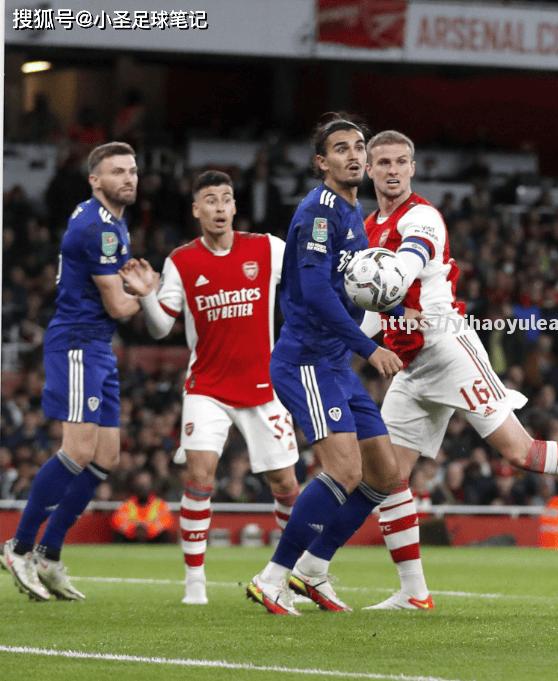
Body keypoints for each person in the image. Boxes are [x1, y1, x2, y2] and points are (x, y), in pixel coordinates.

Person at [360, 131, 558, 610]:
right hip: (409, 364)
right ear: (369, 169)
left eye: (401, 161)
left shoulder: (420, 217)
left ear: (413, 167)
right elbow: (372, 307)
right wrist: (359, 344)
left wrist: (378, 293)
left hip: (447, 348)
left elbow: (405, 268)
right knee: (388, 477)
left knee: (519, 451)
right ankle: (413, 593)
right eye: (383, 162)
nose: (392, 170)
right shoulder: (369, 228)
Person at [245, 113, 403, 616]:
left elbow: (352, 285)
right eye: (341, 148)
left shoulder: (353, 210)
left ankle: (312, 570)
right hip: (308, 362)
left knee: (383, 473)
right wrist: (368, 346)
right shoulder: (320, 211)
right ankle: (271, 577)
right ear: (322, 162)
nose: (354, 154)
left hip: (335, 363)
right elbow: (314, 292)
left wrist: (399, 308)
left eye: (359, 146)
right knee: (344, 470)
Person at [120, 170, 300, 605]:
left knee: (286, 484)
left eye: (226, 199)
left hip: (264, 386)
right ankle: (195, 585)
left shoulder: (267, 248)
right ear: (196, 209)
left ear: (236, 206)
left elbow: (306, 287)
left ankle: (288, 575)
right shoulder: (182, 261)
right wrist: (147, 295)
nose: (220, 208)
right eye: (211, 201)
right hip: (208, 388)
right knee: (200, 474)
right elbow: (162, 327)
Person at [3, 142, 144, 601]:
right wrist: (148, 290)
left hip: (96, 346)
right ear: (94, 180)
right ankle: (20, 546)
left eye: (133, 170)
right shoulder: (97, 229)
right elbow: (120, 305)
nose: (129, 178)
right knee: (78, 450)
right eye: (118, 171)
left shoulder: (110, 221)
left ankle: (50, 552)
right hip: (78, 344)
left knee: (107, 455)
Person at [110, 471, 176, 543]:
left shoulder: (159, 504)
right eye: (140, 484)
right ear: (135, 485)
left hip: (153, 538)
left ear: (151, 484)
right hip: (132, 537)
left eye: (145, 483)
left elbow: (166, 521)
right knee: (118, 534)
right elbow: (118, 521)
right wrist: (135, 529)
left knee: (165, 534)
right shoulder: (127, 504)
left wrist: (146, 529)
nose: (143, 487)